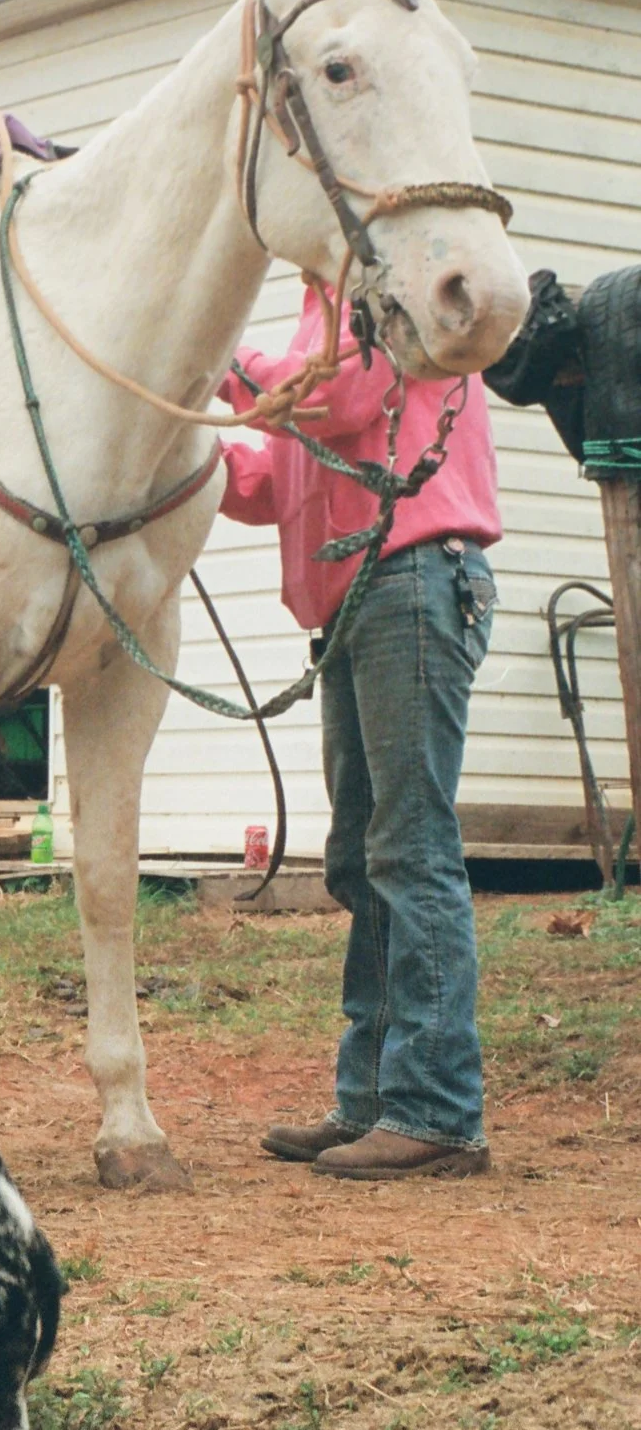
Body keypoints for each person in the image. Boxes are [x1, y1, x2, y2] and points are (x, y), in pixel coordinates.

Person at [218, 290, 500, 1180]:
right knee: (363, 855)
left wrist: (221, 358)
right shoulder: (320, 314)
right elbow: (279, 476)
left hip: (411, 577)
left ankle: (437, 1111)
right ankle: (378, 1101)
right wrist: (186, 458)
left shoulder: (390, 288)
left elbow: (332, 399)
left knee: (409, 847)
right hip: (367, 596)